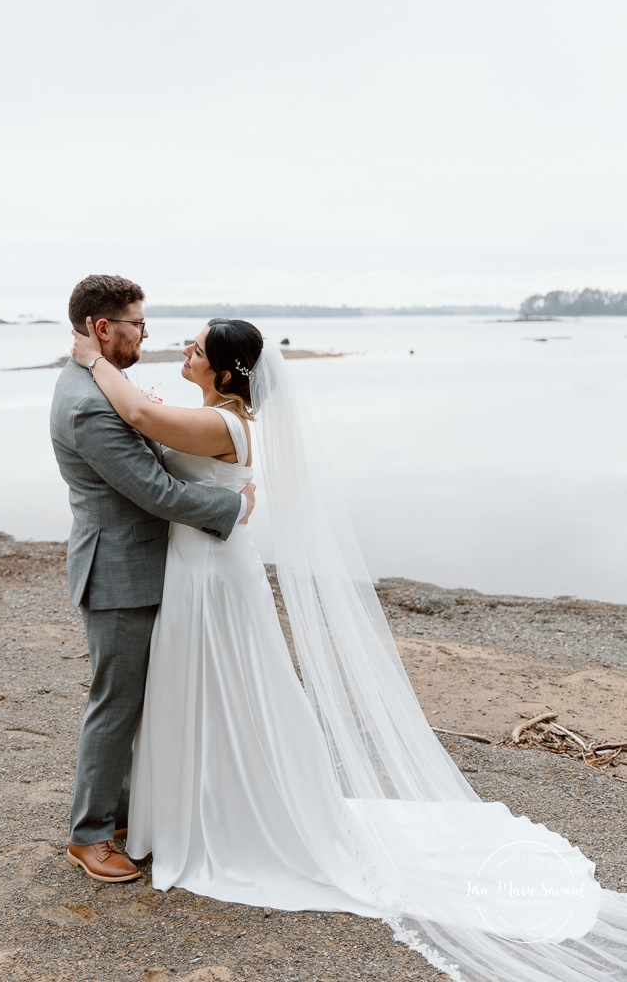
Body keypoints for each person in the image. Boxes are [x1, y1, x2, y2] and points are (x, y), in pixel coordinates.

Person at [71, 317, 627, 982]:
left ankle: (223, 815)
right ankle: (191, 808)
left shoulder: (221, 425)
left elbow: (133, 410)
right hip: (199, 570)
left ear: (227, 373)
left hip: (211, 578)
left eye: (196, 349)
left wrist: (89, 358)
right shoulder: (211, 416)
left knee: (231, 690)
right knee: (203, 690)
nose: (184, 352)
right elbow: (156, 425)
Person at [50, 276, 255, 883]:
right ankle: (89, 837)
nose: (147, 333)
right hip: (117, 569)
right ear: (102, 328)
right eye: (138, 323)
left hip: (144, 565)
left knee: (136, 700)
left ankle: (118, 816)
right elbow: (154, 490)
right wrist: (234, 508)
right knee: (115, 705)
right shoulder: (89, 402)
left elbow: (148, 430)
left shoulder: (94, 380)